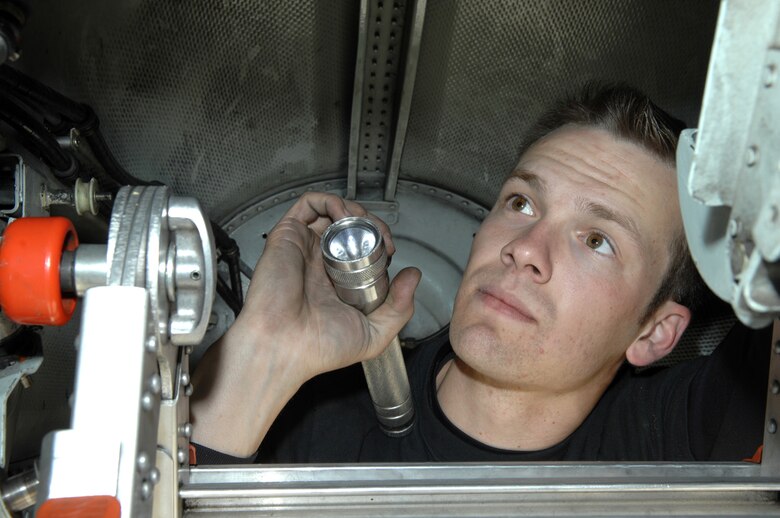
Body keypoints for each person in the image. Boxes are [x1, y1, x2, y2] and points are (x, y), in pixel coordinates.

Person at [190, 84, 770, 464]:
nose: (525, 249)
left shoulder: (675, 438)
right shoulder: (311, 419)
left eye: (597, 241)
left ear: (654, 333)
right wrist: (263, 352)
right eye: (522, 204)